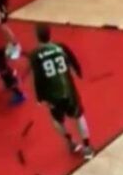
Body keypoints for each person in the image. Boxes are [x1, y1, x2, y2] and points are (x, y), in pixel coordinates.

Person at [28, 23, 94, 159]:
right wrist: (78, 72)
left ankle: (70, 142)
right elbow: (73, 61)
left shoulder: (35, 55)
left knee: (57, 119)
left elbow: (38, 77)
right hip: (68, 90)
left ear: (37, 36)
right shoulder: (60, 47)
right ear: (49, 34)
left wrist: (40, 97)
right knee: (79, 116)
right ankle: (87, 147)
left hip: (52, 94)